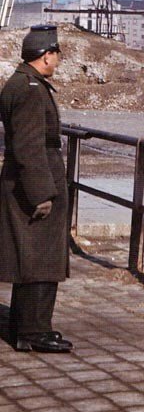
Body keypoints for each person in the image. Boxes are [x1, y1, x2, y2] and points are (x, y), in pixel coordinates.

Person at [0, 25, 73, 353]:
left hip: (29, 179)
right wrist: (42, 193)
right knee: (40, 259)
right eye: (56, 54)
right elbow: (29, 145)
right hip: (37, 182)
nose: (58, 60)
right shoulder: (30, 89)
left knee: (31, 258)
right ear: (46, 56)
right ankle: (33, 332)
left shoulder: (21, 83)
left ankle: (25, 327)